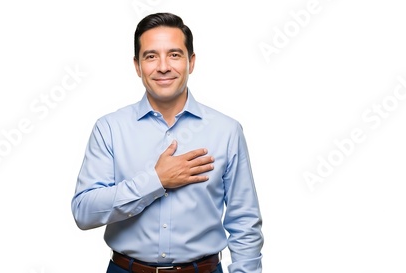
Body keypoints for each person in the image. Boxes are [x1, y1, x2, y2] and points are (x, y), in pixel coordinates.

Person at [71, 12, 263, 273]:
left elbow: (244, 221)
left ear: (190, 62)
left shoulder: (226, 131)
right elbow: (84, 212)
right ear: (137, 65)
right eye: (151, 56)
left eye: (174, 54)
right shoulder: (110, 129)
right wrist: (156, 181)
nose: (163, 66)